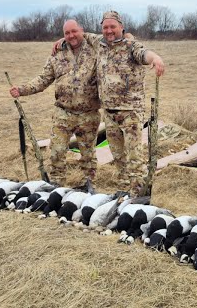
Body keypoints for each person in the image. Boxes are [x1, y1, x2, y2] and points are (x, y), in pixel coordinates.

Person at [84, 11, 165, 197]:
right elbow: (80, 35)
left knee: (134, 155)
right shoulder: (99, 43)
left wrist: (156, 59)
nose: (109, 30)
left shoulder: (131, 46)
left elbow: (144, 54)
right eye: (105, 27)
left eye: (113, 26)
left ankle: (140, 194)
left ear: (121, 27)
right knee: (118, 155)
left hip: (130, 112)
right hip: (109, 112)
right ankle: (123, 189)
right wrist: (62, 42)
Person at [10, 20, 100, 186]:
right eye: (67, 33)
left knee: (88, 154)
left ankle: (89, 185)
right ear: (63, 35)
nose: (71, 36)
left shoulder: (96, 49)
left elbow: (118, 41)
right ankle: (57, 186)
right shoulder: (57, 54)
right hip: (63, 113)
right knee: (56, 152)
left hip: (89, 114)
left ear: (82, 30)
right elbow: (43, 79)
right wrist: (22, 90)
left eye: (74, 31)